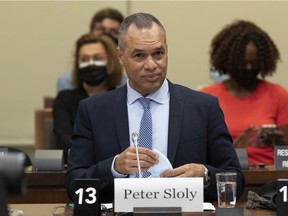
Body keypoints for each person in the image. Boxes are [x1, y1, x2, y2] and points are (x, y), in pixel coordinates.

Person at [65, 12, 245, 203]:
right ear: (120, 56)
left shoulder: (203, 107)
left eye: (158, 54)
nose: (151, 65)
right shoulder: (93, 111)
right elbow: (73, 184)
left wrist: (205, 174)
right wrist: (114, 167)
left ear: (167, 50)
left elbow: (236, 179)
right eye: (139, 55)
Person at [201, 20, 288, 165]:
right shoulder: (207, 98)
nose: (248, 68)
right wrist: (232, 149)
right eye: (242, 63)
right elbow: (201, 152)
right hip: (227, 175)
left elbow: (285, 155)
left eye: (254, 64)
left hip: (269, 179)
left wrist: (279, 143)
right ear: (227, 61)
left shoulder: (279, 95)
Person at [53, 33, 123, 162]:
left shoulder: (122, 99)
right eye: (84, 60)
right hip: (78, 170)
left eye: (98, 58)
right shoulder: (64, 99)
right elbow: (63, 141)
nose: (91, 64)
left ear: (110, 62)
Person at [57, 8, 125, 92]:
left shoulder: (129, 80)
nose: (106, 35)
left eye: (113, 31)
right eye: (100, 30)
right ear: (91, 32)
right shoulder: (67, 81)